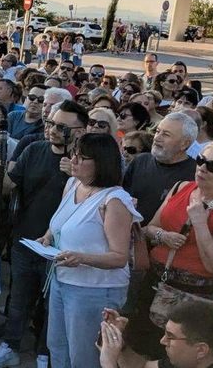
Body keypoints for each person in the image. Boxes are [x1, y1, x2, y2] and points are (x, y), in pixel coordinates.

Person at [127, 140, 213, 359]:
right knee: (134, 348)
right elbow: (150, 227)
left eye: (212, 166)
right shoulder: (181, 187)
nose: (202, 167)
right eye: (200, 160)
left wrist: (200, 223)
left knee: (167, 357)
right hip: (153, 283)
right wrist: (163, 236)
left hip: (190, 300)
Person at [0, 101, 89, 368]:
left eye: (61, 126)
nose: (53, 130)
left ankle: (45, 353)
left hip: (62, 249)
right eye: (51, 124)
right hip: (25, 240)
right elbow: (8, 185)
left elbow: (99, 200)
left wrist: (79, 177)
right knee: (19, 299)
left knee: (52, 308)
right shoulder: (35, 149)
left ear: (80, 131)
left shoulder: (88, 162)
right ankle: (10, 345)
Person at [40, 133, 141, 368]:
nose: (72, 160)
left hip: (93, 290)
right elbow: (63, 222)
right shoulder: (73, 183)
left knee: (84, 357)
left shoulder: (115, 200)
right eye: (74, 154)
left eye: (81, 157)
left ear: (101, 163)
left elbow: (119, 257)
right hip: (61, 281)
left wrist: (81, 257)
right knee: (57, 346)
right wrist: (47, 237)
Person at [99, 302, 213, 368]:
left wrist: (108, 363)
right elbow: (142, 366)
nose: (162, 341)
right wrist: (120, 344)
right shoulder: (188, 362)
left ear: (201, 350)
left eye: (170, 336)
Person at [123, 113, 198, 224]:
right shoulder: (140, 160)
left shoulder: (196, 173)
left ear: (184, 143)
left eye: (166, 135)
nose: (157, 138)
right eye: (157, 132)